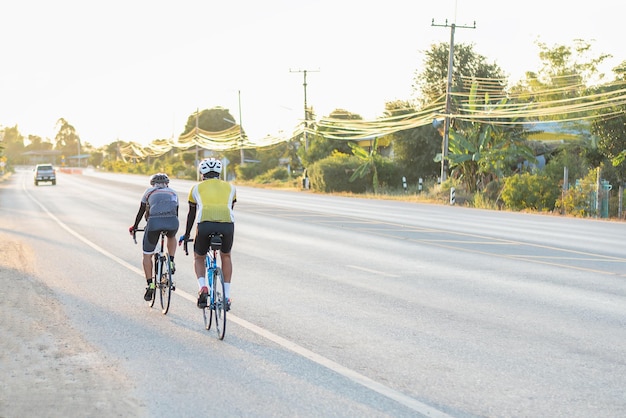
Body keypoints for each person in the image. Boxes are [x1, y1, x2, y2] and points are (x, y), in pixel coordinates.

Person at [180, 158, 236, 310]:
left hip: (205, 223)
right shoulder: (231, 188)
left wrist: (186, 235)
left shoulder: (196, 188)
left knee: (199, 257)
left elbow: (191, 214)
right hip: (227, 224)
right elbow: (230, 207)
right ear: (219, 172)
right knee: (226, 256)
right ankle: (226, 296)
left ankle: (203, 287)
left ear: (201, 174)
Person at [129, 173, 179, 301]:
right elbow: (175, 212)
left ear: (152, 183)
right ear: (167, 183)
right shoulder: (173, 193)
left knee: (147, 255)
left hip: (154, 223)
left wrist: (135, 226)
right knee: (171, 236)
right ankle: (171, 261)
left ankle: (150, 283)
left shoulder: (149, 192)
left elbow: (141, 211)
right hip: (172, 222)